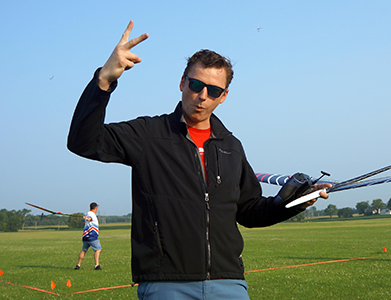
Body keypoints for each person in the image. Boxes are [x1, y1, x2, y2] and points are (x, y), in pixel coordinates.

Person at [67, 21, 330, 299]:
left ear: (224, 96)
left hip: (229, 283)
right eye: (195, 84)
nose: (203, 96)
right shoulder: (148, 135)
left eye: (214, 90)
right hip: (166, 284)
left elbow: (249, 211)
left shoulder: (231, 146)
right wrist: (104, 81)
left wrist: (288, 203)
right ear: (182, 83)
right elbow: (84, 141)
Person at [75, 202, 102, 270]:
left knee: (84, 250)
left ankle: (78, 265)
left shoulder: (87, 213)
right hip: (92, 236)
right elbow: (90, 219)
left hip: (85, 236)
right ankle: (97, 265)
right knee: (98, 250)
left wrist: (85, 219)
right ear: (96, 208)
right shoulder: (91, 214)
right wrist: (87, 219)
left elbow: (85, 222)